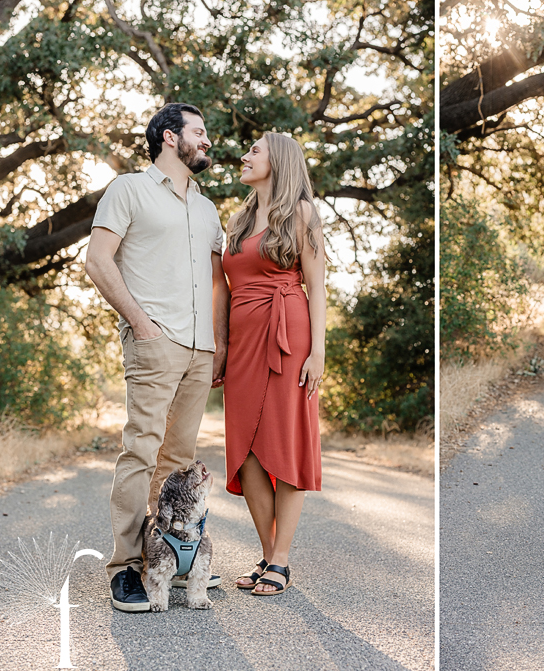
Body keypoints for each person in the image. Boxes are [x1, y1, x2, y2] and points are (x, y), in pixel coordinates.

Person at [86, 103, 229, 612]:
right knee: (141, 451)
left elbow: (218, 282)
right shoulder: (129, 189)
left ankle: (170, 558)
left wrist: (220, 343)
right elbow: (97, 260)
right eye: (200, 131)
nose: (207, 140)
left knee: (179, 461)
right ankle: (125, 567)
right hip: (155, 340)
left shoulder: (208, 208)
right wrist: (140, 323)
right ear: (170, 137)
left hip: (200, 348)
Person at [221, 132, 326, 595]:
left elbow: (318, 286)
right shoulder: (239, 219)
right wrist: (221, 349)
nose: (244, 156)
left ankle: (280, 560)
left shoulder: (302, 213)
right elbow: (223, 288)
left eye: (254, 150)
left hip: (290, 334)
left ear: (277, 160)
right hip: (243, 342)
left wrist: (318, 351)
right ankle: (269, 554)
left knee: (285, 444)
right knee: (244, 453)